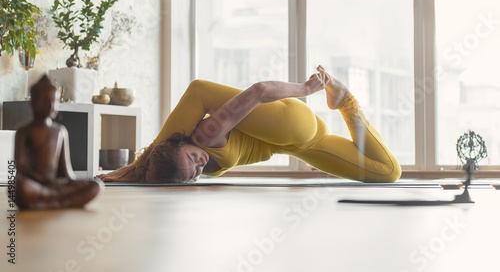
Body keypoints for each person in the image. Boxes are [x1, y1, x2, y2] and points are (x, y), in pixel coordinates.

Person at [97, 66, 401, 184]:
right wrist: (130, 177)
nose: (201, 163)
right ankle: (347, 102)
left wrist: (307, 89)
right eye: (196, 172)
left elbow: (257, 91)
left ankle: (338, 94)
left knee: (200, 91)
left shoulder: (207, 133)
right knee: (387, 172)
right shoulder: (180, 165)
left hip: (290, 126)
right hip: (296, 145)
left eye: (193, 157)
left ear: (181, 141)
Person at [14, 75, 101, 210]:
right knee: (20, 187)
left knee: (95, 186)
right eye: (45, 100)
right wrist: (43, 181)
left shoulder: (60, 132)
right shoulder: (24, 131)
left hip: (54, 186)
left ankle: (49, 201)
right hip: (34, 184)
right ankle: (61, 200)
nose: (51, 106)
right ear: (33, 101)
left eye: (55, 101)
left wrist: (71, 182)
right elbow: (21, 166)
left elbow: (66, 171)